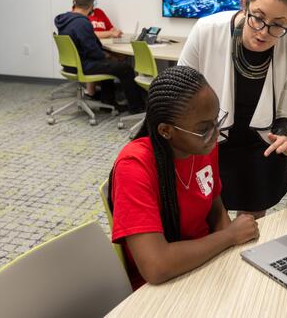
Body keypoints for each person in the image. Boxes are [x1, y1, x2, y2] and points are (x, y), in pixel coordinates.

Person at [109, 66, 259, 290]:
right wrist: (229, 237)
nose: (216, 134)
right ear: (166, 130)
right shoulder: (134, 166)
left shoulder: (203, 147)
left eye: (217, 120)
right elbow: (157, 266)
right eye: (204, 129)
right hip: (162, 286)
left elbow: (215, 207)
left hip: (205, 263)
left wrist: (232, 254)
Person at [178, 0, 287, 219]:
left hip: (259, 146)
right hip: (207, 140)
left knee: (250, 226)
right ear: (245, 6)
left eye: (278, 25)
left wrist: (284, 135)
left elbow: (285, 112)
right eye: (257, 18)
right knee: (208, 221)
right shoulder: (207, 30)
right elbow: (180, 95)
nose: (263, 32)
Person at [54, 0, 144, 113]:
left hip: (70, 65)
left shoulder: (64, 20)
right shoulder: (82, 23)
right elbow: (93, 52)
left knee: (110, 64)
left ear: (75, 2)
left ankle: (107, 102)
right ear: (91, 5)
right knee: (125, 69)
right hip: (83, 65)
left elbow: (88, 47)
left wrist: (107, 56)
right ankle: (137, 108)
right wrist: (108, 56)